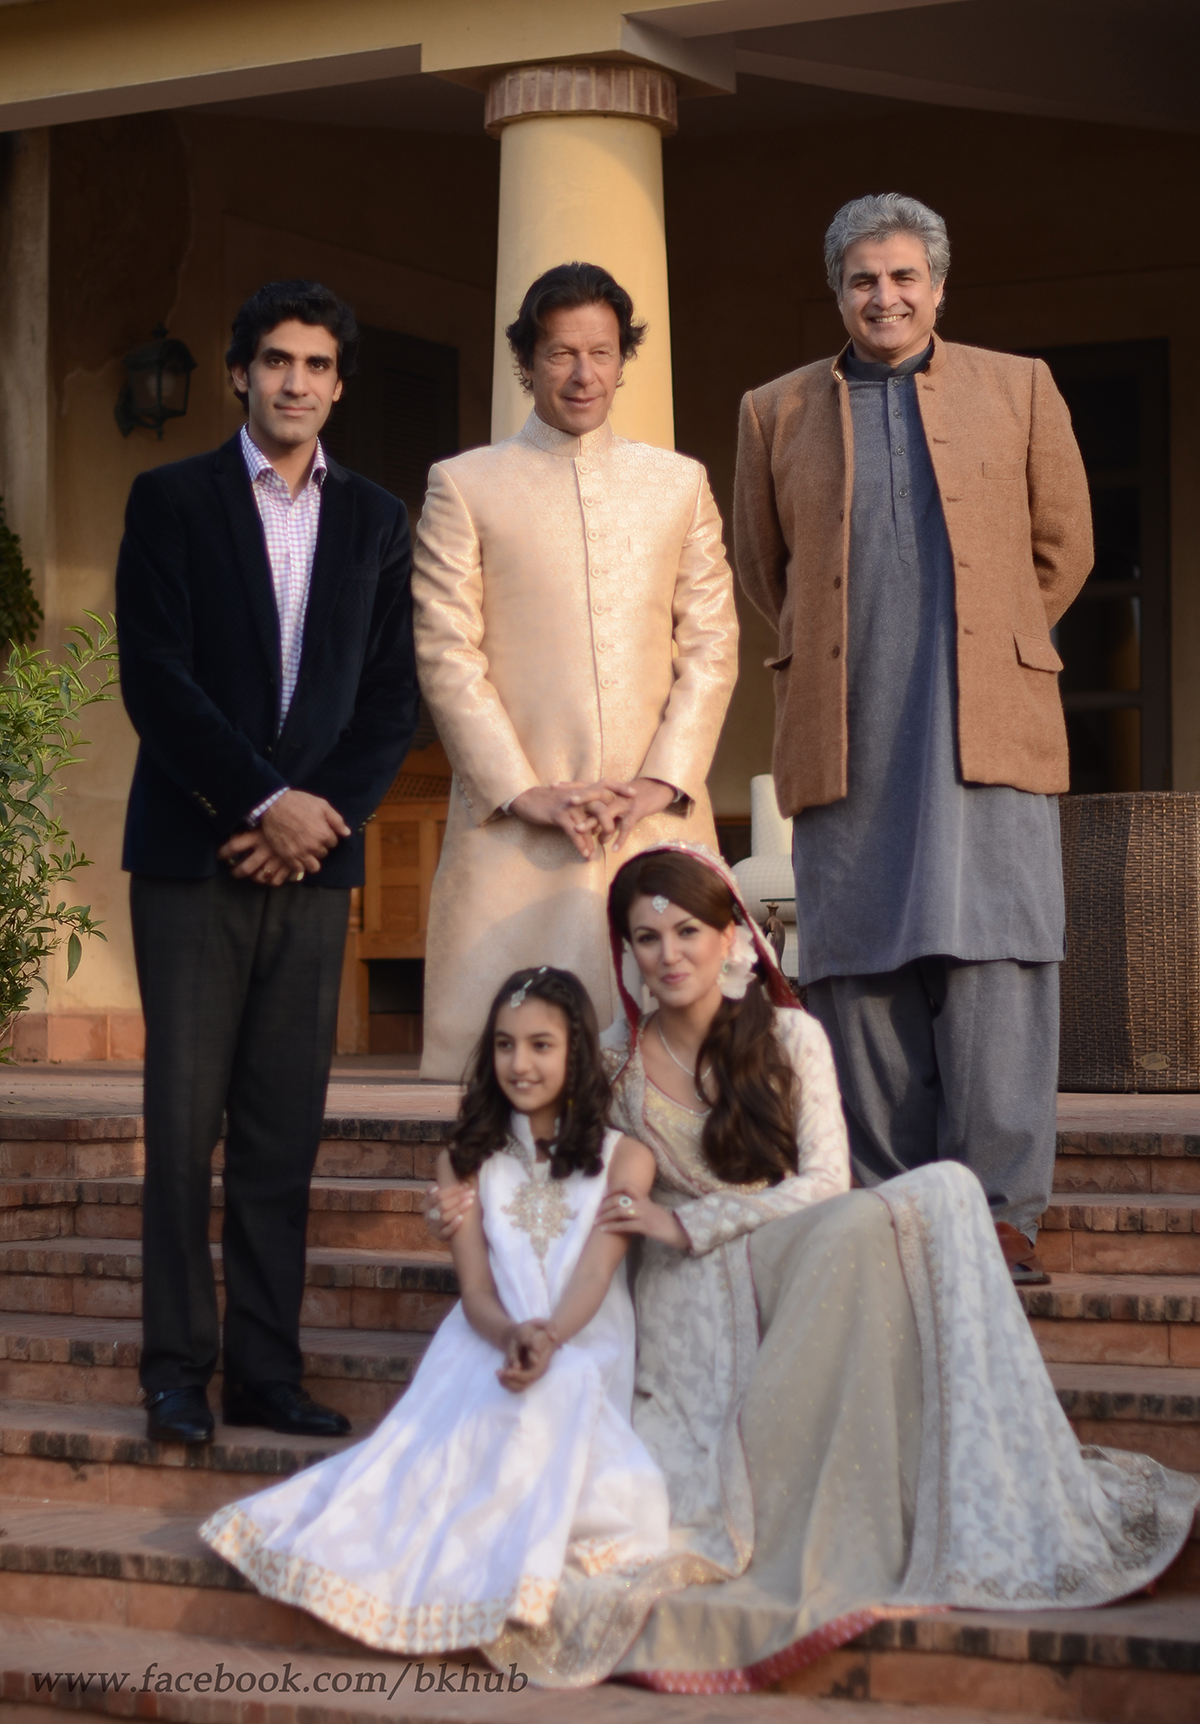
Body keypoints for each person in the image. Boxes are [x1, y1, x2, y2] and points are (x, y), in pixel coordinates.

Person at [429, 846, 1200, 1691]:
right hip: (691, 1297)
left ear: (734, 938)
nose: (669, 953)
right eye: (645, 937)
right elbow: (544, 1142)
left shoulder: (790, 1034)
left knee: (939, 1190)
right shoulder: (611, 1058)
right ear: (626, 953)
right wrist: (473, 1196)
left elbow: (827, 1183)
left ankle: (981, 1476)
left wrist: (694, 1224)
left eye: (688, 930)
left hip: (786, 1243)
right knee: (874, 1224)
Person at [734, 193, 1094, 1283]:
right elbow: (765, 571)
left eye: (902, 278)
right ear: (839, 291)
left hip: (988, 718)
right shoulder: (776, 410)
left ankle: (998, 1211)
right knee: (861, 965)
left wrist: (978, 644)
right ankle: (895, 1201)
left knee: (997, 954)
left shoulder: (1018, 385)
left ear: (938, 286)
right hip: (849, 729)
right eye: (861, 280)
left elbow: (1062, 548)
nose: (882, 297)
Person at [116, 279, 418, 1445]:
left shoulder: (378, 519)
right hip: (196, 854)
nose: (296, 381)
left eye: (316, 364)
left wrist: (318, 816)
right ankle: (175, 1374)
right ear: (241, 371)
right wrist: (259, 798)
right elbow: (159, 677)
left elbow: (390, 696)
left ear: (341, 383)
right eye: (276, 361)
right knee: (184, 1125)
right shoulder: (172, 499)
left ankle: (267, 1374)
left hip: (314, 864)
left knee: (283, 1131)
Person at [201, 967, 687, 1667]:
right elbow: (478, 1291)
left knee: (626, 1499)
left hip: (583, 1344)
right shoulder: (465, 1162)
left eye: (542, 1045)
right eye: (505, 1045)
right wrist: (513, 1335)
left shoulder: (625, 1159)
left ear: (577, 1052)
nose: (520, 1063)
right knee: (455, 1460)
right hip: (485, 1343)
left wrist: (550, 1337)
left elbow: (595, 1272)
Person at [413, 261, 738, 1080]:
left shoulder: (679, 484)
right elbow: (446, 650)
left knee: (676, 1082)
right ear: (525, 360)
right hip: (515, 832)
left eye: (601, 352)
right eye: (561, 354)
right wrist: (525, 790)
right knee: (506, 1086)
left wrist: (659, 783)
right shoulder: (464, 484)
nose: (583, 374)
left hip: (655, 821)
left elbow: (712, 643)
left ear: (625, 358)